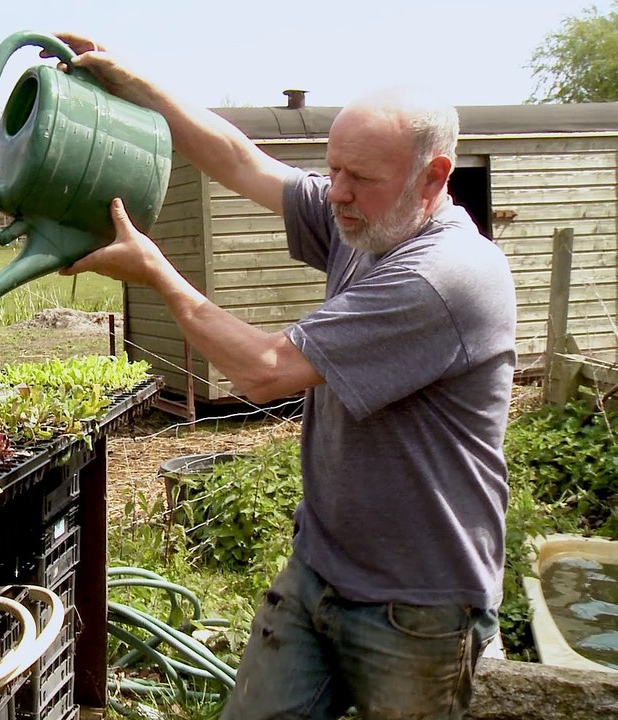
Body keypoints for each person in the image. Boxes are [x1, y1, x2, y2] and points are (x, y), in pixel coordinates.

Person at [49, 33, 517, 720]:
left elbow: (263, 372)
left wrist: (154, 272)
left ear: (434, 177)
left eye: (360, 178)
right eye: (332, 171)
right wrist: (131, 81)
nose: (338, 194)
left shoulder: (445, 277)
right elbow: (239, 159)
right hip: (321, 570)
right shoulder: (368, 221)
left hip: (418, 607)